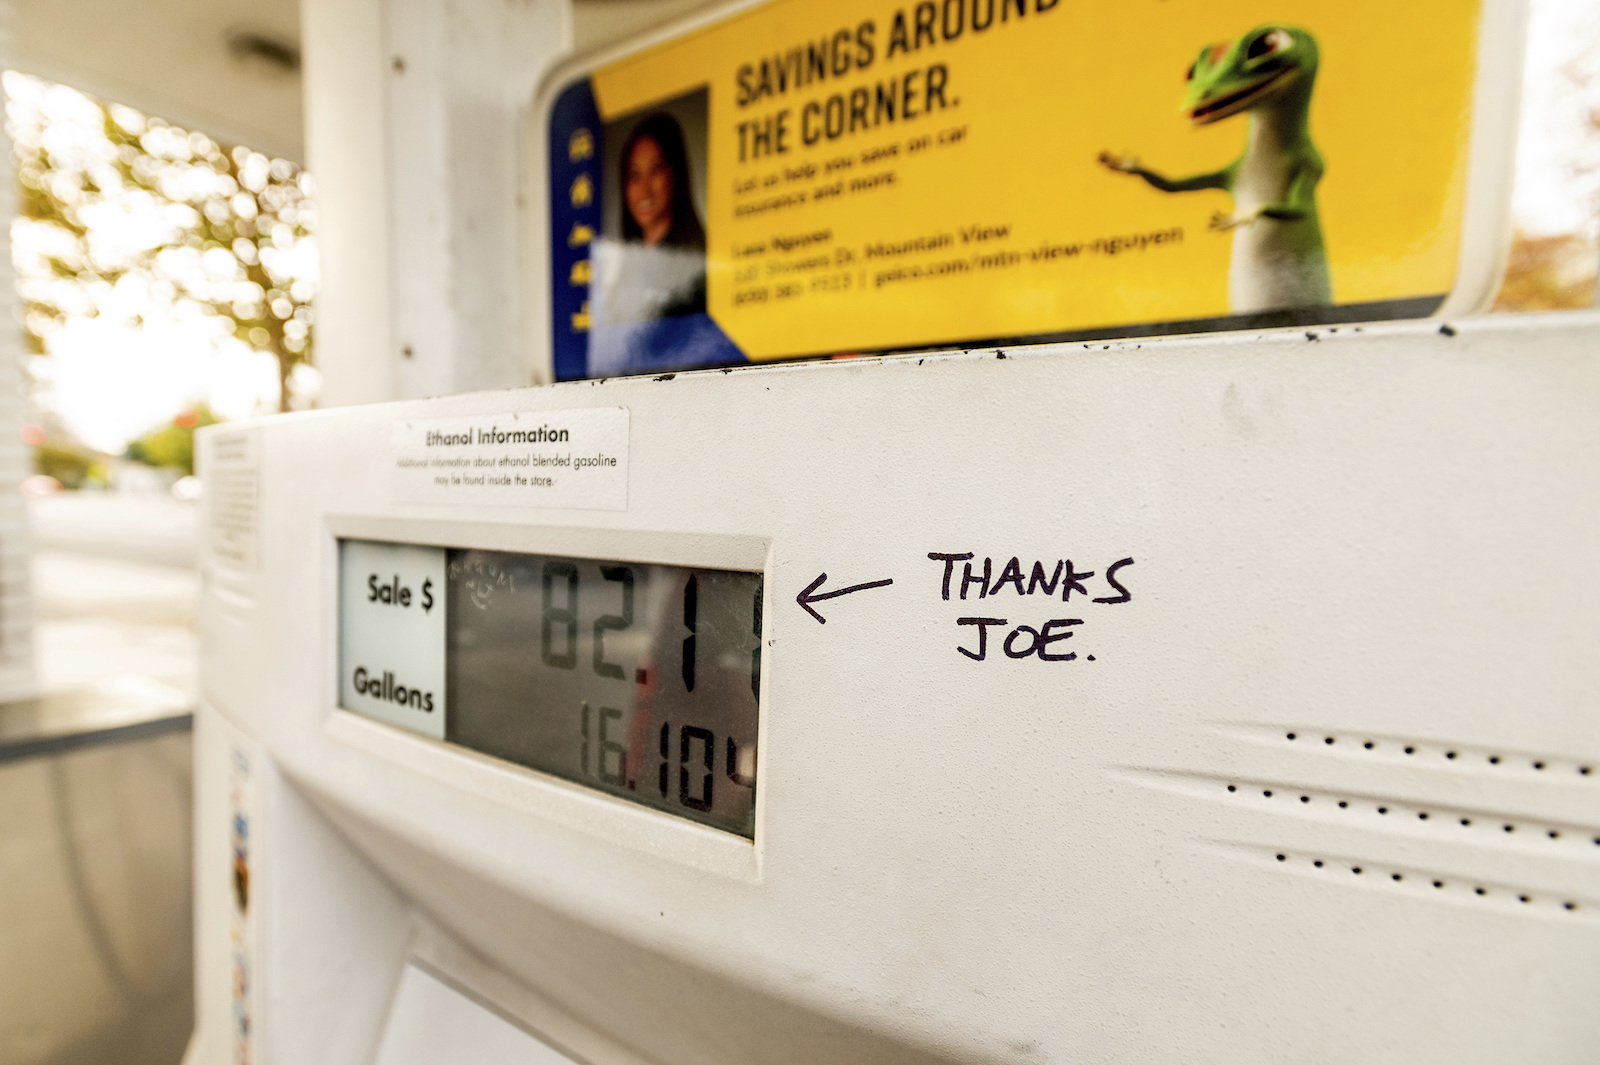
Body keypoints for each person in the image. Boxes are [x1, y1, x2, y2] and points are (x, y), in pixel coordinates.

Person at [619, 113, 705, 250]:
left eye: (655, 170)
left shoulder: (696, 256)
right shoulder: (625, 261)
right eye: (635, 175)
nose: (644, 190)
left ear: (675, 173)